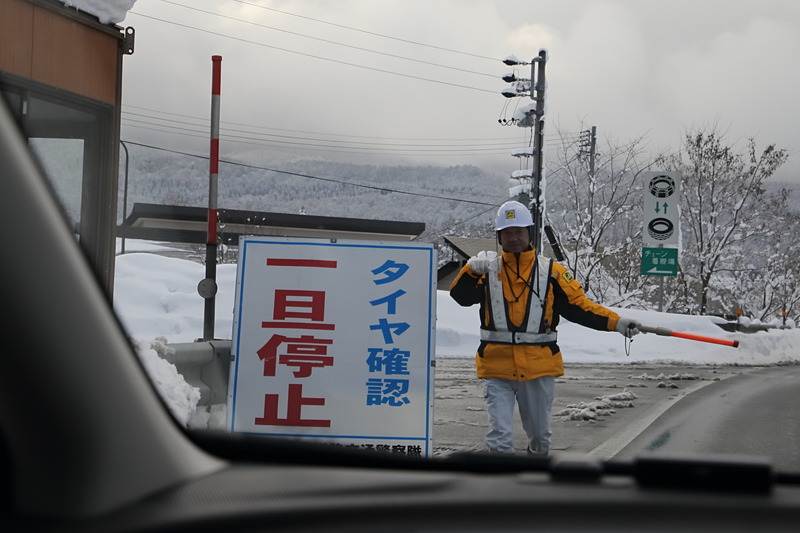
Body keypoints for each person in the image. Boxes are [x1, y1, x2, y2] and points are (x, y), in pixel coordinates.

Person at [449, 200, 640, 455]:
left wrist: (616, 322)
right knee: (500, 437)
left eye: (518, 231)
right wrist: (470, 270)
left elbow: (580, 307)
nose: (513, 237)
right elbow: (460, 297)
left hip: (539, 367)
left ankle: (533, 480)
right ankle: (501, 489)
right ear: (499, 237)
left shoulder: (552, 272)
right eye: (507, 232)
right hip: (497, 367)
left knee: (540, 438)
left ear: (530, 233)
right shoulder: (487, 270)